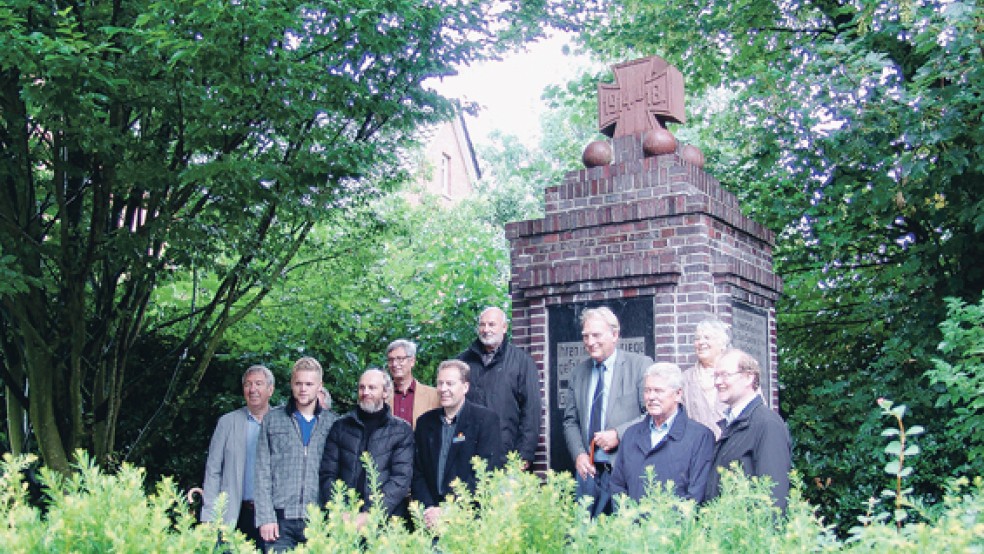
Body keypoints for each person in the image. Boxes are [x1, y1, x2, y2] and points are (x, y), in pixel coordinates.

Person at [563, 307, 653, 517]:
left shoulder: (640, 366)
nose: (590, 341)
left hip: (625, 469)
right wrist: (578, 454)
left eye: (596, 335)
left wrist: (619, 435)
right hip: (588, 472)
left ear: (614, 334)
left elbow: (651, 415)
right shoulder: (578, 373)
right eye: (585, 336)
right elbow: (570, 421)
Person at [254, 357, 337, 552]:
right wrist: (266, 517)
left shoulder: (333, 424)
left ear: (319, 386)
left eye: (309, 384)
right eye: (298, 383)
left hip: (319, 519)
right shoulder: (272, 420)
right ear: (291, 384)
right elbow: (262, 471)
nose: (303, 389)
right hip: (280, 520)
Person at [412, 360, 505, 529]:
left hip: (468, 517)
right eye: (440, 383)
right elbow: (417, 472)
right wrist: (429, 510)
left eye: (450, 383)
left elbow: (486, 472)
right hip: (428, 520)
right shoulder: (425, 423)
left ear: (465, 387)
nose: (443, 389)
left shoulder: (485, 420)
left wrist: (448, 510)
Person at [319, 368, 414, 529]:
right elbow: (328, 473)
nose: (365, 392)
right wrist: (341, 510)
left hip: (385, 521)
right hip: (344, 520)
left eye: (372, 387)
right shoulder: (341, 426)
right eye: (362, 387)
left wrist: (372, 514)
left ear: (385, 392)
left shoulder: (401, 430)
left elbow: (401, 479)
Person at [610, 363, 714, 503]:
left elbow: (696, 494)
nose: (651, 397)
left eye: (658, 391)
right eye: (647, 390)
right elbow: (617, 486)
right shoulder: (631, 435)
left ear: (678, 394)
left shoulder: (700, 437)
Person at [704, 349, 792, 511]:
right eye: (715, 376)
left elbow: (773, 495)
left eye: (725, 375)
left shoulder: (767, 424)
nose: (718, 382)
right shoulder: (732, 423)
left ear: (748, 377)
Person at [199, 365, 275, 549]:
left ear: (270, 390)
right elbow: (213, 471)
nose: (253, 389)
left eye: (258, 384)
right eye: (248, 384)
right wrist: (209, 516)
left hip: (270, 516)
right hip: (234, 513)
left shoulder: (282, 422)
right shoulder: (227, 422)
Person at [458, 306, 541, 468]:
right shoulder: (463, 362)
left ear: (504, 328)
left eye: (491, 324)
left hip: (506, 456)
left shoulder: (522, 362)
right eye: (482, 325)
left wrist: (524, 454)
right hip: (467, 454)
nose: (486, 329)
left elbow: (531, 411)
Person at [682, 319, 730, 439]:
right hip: (697, 449)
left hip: (732, 448)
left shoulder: (738, 374)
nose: (701, 342)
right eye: (697, 338)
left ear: (722, 343)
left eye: (707, 337)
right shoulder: (685, 379)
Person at [385, 339, 440, 429]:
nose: (394, 364)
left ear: (412, 361)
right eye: (391, 360)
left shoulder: (433, 396)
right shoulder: (382, 395)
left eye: (400, 359)